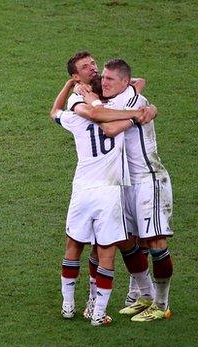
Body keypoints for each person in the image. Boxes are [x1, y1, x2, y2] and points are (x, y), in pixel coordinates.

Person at [62, 52, 159, 320]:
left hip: (93, 187)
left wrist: (112, 97)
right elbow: (104, 121)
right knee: (112, 246)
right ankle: (102, 307)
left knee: (102, 243)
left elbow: (137, 82)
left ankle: (83, 304)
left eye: (98, 68)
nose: (94, 70)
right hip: (113, 186)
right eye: (87, 68)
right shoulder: (83, 103)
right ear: (75, 76)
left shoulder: (103, 100)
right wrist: (138, 114)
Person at [79, 59, 174, 322]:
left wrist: (142, 110)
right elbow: (138, 80)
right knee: (129, 241)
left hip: (148, 179)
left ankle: (162, 303)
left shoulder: (133, 101)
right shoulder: (120, 98)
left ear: (123, 83)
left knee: (155, 243)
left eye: (110, 79)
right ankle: (144, 295)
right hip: (123, 183)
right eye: (104, 78)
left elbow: (109, 129)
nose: (104, 83)